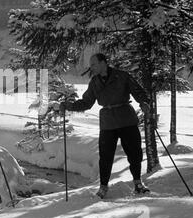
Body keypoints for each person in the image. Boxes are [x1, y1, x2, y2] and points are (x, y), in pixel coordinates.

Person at [57, 53, 151, 199]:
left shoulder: (122, 76)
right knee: (105, 157)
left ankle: (138, 183)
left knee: (135, 154)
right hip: (108, 123)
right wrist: (68, 105)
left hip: (126, 119)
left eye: (93, 64)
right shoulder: (94, 82)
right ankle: (103, 188)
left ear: (103, 63)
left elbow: (138, 91)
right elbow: (86, 103)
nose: (91, 68)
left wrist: (144, 102)